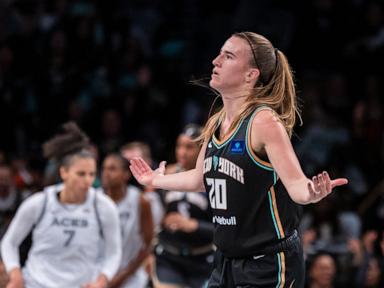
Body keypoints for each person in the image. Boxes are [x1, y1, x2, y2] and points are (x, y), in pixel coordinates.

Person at [129, 31, 348, 287]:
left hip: (268, 264)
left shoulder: (264, 121)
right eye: (220, 53)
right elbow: (201, 177)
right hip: (226, 262)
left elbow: (297, 186)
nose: (215, 61)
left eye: (228, 56)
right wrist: (157, 179)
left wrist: (312, 193)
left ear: (250, 74)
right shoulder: (216, 121)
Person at [1, 122, 121, 288]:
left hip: (81, 284)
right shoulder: (39, 202)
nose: (87, 180)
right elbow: (9, 242)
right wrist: (15, 274)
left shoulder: (103, 206)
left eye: (92, 174)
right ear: (64, 172)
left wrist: (102, 279)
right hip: (37, 282)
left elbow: (114, 252)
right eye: (81, 174)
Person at [153, 124, 214, 288]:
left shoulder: (213, 179)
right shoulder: (165, 177)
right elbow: (151, 219)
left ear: (202, 149)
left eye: (189, 147)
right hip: (169, 257)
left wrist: (195, 225)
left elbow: (225, 227)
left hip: (203, 258)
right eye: (179, 146)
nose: (182, 152)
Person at [101, 153, 154, 288]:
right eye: (104, 168)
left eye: (112, 169)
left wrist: (123, 276)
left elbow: (148, 244)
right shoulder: (95, 200)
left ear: (126, 174)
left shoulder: (140, 200)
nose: (106, 173)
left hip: (130, 274)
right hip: (99, 272)